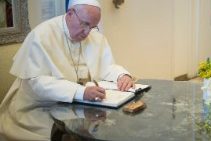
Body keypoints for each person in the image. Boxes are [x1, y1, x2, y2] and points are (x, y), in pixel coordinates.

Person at [0, 0, 134, 107]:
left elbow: (106, 66)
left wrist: (122, 76)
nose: (88, 32)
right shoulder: (41, 35)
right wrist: (79, 92)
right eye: (84, 24)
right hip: (43, 107)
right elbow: (35, 82)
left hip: (85, 106)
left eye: (92, 26)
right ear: (70, 13)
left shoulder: (94, 36)